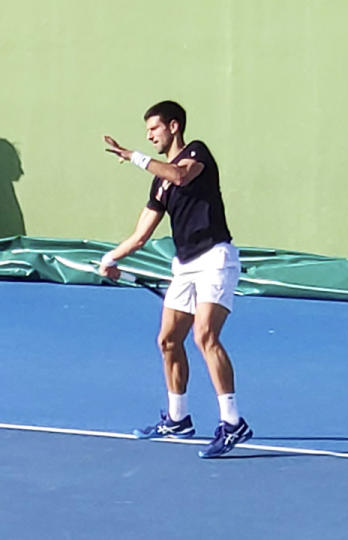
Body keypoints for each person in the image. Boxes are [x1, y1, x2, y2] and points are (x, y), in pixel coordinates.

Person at [101, 100, 252, 458]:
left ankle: (233, 423)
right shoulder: (159, 183)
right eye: (147, 131)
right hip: (184, 266)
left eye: (153, 128)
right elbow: (140, 236)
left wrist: (134, 156)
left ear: (173, 126)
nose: (149, 135)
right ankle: (177, 418)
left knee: (204, 335)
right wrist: (110, 259)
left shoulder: (196, 153)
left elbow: (181, 175)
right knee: (168, 340)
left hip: (216, 257)